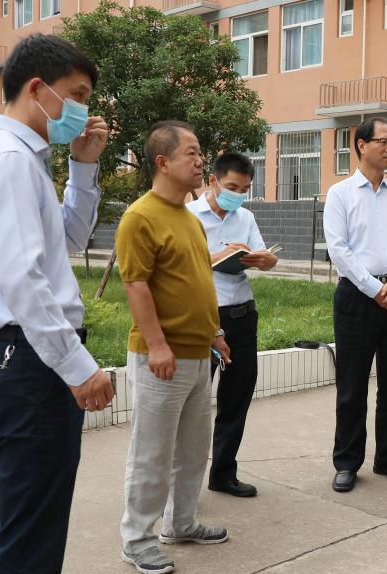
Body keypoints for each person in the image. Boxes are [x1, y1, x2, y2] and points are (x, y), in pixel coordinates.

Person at [0, 33, 113, 574]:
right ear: (38, 89)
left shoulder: (21, 158)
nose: (84, 110)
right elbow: (23, 281)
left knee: (15, 521)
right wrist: (78, 366)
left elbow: (66, 241)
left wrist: (84, 167)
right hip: (29, 363)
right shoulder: (9, 161)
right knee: (31, 535)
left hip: (23, 360)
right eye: (77, 95)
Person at [117, 121, 232, 574]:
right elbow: (136, 284)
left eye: (200, 152)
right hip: (160, 358)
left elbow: (198, 282)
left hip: (197, 354)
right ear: (163, 162)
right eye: (192, 152)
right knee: (152, 452)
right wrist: (158, 345)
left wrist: (214, 333)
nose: (201, 161)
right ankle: (136, 539)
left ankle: (180, 523)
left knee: (192, 449)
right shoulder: (140, 217)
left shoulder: (189, 218)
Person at [323, 117, 387, 493]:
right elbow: (339, 249)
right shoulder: (340, 194)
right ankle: (347, 462)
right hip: (357, 298)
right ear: (361, 145)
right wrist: (374, 288)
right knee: (352, 385)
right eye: (383, 141)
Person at [187, 152, 278, 499]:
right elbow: (183, 265)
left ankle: (223, 474)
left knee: (236, 399)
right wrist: (216, 258)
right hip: (205, 317)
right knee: (194, 406)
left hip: (242, 315)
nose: (237, 195)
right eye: (232, 187)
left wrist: (265, 260)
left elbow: (263, 257)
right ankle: (185, 487)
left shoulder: (246, 217)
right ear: (213, 180)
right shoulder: (189, 216)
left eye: (244, 189)